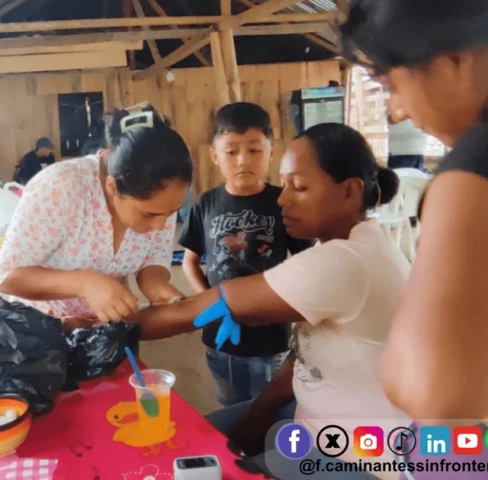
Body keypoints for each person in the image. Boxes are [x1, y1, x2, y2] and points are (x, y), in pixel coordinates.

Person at [128, 124, 408, 478]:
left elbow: (200, 309)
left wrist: (109, 330)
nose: (282, 199)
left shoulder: (344, 263)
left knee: (191, 463)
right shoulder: (358, 245)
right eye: (285, 183)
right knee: (192, 444)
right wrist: (260, 410)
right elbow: (308, 351)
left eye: (300, 187)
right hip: (311, 418)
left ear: (350, 191)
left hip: (356, 459)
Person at [340, 0, 488, 423]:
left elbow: (430, 390)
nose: (397, 110)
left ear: (455, 61)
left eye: (392, 87)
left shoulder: (474, 166)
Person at [0, 104, 190, 323]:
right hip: (42, 331)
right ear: (112, 188)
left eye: (171, 213)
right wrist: (84, 284)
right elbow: (7, 277)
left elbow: (153, 258)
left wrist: (157, 287)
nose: (161, 225)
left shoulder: (161, 200)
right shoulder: (60, 188)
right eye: (149, 215)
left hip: (105, 331)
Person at [180, 103, 313, 408]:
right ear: (214, 156)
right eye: (231, 152)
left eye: (254, 150)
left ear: (271, 151)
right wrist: (210, 302)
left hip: (270, 338)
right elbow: (189, 261)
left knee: (268, 407)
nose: (243, 161)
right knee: (229, 403)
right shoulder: (206, 203)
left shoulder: (284, 203)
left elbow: (307, 261)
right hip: (220, 336)